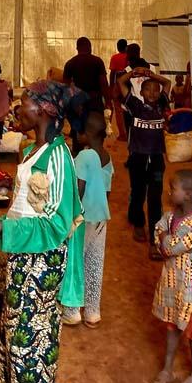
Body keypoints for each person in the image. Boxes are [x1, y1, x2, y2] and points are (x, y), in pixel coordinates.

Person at [0, 80, 84, 383]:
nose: (18, 108)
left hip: (42, 263)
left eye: (25, 102)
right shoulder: (34, 150)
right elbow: (23, 209)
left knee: (33, 333)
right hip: (24, 258)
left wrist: (6, 230)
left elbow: (57, 224)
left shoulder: (59, 157)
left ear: (45, 109)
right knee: (16, 328)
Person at [150, 169, 192, 383]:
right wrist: (164, 238)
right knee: (172, 325)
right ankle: (168, 370)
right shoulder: (170, 216)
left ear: (188, 194)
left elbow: (169, 246)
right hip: (174, 284)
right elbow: (158, 234)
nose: (168, 191)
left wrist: (164, 237)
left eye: (173, 188)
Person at [62, 111, 112, 328]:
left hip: (83, 219)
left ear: (87, 133)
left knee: (75, 262)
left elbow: (79, 189)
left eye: (78, 131)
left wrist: (71, 216)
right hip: (101, 218)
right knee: (94, 263)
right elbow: (107, 191)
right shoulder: (107, 157)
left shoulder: (84, 156)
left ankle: (72, 311)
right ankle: (92, 312)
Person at [118, 67, 171, 257]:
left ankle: (154, 242)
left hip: (156, 157)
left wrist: (151, 75)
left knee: (155, 198)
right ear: (140, 92)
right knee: (138, 192)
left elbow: (167, 83)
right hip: (138, 157)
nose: (153, 93)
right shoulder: (135, 105)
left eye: (155, 90)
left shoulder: (162, 104)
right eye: (148, 90)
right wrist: (134, 74)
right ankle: (138, 223)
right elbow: (121, 82)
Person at [63, 37, 108, 153]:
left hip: (78, 103)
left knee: (78, 132)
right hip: (95, 101)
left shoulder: (70, 63)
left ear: (77, 48)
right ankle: (96, 157)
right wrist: (108, 101)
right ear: (90, 47)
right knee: (97, 131)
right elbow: (103, 83)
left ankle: (78, 159)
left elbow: (65, 86)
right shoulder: (97, 61)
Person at [108, 39, 129, 140]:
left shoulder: (115, 58)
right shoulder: (129, 57)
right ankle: (129, 132)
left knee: (118, 110)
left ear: (117, 47)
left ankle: (122, 134)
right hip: (128, 86)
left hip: (117, 86)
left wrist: (111, 87)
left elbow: (112, 74)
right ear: (126, 47)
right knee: (128, 108)